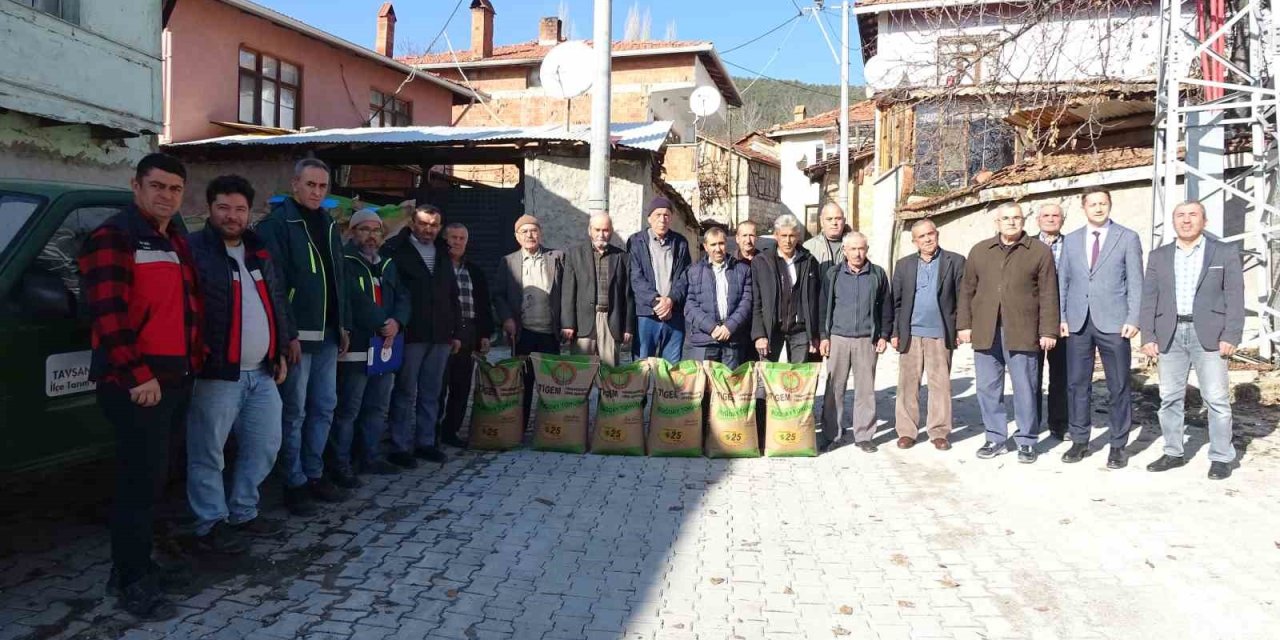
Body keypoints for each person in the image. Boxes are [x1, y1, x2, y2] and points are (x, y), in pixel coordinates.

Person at [78, 153, 203, 620]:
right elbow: (108, 317)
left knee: (156, 480)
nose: (166, 195)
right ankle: (130, 579)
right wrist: (138, 375)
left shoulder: (174, 238)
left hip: (174, 378)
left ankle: (139, 564)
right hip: (137, 384)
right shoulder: (114, 237)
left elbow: (186, 309)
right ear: (136, 187)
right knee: (137, 484)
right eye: (157, 186)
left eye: (174, 188)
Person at [186, 175, 290, 557]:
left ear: (250, 213)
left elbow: (276, 300)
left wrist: (280, 347)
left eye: (240, 209)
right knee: (207, 450)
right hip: (217, 373)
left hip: (262, 372)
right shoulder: (194, 250)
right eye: (224, 208)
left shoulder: (258, 251)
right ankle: (209, 522)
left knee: (265, 444)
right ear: (210, 209)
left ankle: (243, 511)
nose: (232, 216)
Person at [255, 158, 351, 516]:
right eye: (310, 185)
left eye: (323, 187)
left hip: (327, 334)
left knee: (324, 407)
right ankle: (292, 481)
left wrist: (344, 325)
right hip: (297, 338)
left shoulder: (327, 223)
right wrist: (286, 334)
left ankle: (314, 473)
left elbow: (338, 280)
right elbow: (273, 285)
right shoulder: (278, 225)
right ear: (294, 185)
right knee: (293, 411)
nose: (316, 192)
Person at [1140, 200, 1244, 480]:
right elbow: (1149, 298)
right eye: (1181, 216)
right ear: (1174, 222)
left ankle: (1222, 456)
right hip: (1170, 334)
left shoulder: (1223, 252)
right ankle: (1173, 451)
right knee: (1169, 398)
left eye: (1193, 215)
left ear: (1204, 221)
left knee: (1216, 399)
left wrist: (1231, 335)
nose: (1186, 221)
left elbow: (1235, 297)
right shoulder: (1159, 256)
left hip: (1209, 334)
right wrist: (1148, 335)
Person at [959, 202, 1060, 464]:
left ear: (1024, 221)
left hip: (1023, 330)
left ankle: (1026, 440)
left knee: (1026, 387)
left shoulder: (1039, 251)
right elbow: (967, 290)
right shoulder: (980, 251)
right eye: (1006, 218)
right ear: (997, 222)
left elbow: (1050, 294)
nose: (1011, 222)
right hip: (985, 330)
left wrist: (1048, 330)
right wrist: (964, 325)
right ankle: (995, 437)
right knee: (988, 387)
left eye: (1016, 218)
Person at [1057, 188, 1144, 469]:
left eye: (1102, 203)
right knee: (1077, 383)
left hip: (1115, 323)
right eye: (1092, 204)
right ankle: (1080, 439)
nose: (1098, 208)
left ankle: (1118, 444)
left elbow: (1136, 282)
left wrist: (1133, 318)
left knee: (1118, 385)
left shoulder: (1127, 237)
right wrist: (1062, 316)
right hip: (1078, 322)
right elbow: (1064, 282)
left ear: (1110, 205)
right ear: (1083, 208)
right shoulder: (1070, 241)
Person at [331, 210, 410, 480]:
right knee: (348, 410)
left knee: (377, 407)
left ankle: (370, 457)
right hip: (356, 348)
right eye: (364, 229)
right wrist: (380, 321)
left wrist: (397, 322)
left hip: (384, 349)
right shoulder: (345, 261)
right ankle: (341, 464)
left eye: (376, 231)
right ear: (352, 232)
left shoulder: (388, 264)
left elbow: (402, 296)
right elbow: (354, 298)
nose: (371, 236)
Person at [382, 204, 461, 466]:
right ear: (413, 223)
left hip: (440, 335)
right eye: (424, 223)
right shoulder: (396, 249)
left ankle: (426, 442)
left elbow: (452, 294)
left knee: (431, 391)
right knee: (405, 391)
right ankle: (399, 446)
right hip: (411, 333)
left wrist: (456, 330)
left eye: (434, 225)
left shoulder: (442, 251)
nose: (429, 229)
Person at [890, 219, 965, 451]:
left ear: (937, 234)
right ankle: (906, 431)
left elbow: (963, 298)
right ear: (914, 241)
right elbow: (896, 302)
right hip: (910, 333)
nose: (927, 239)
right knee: (907, 385)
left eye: (930, 234)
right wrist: (894, 332)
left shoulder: (956, 261)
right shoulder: (904, 265)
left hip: (940, 333)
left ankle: (939, 431)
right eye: (921, 236)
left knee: (940, 385)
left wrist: (961, 328)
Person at [818, 232, 893, 452]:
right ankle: (831, 434)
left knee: (866, 389)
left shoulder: (877, 274)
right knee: (834, 389)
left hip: (866, 341)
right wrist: (824, 337)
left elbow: (886, 307)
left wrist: (884, 335)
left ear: (866, 249)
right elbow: (823, 307)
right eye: (853, 249)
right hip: (838, 338)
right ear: (845, 251)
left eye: (861, 249)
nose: (858, 253)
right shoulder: (833, 275)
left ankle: (864, 435)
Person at [495, 214, 564, 429]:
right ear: (517, 236)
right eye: (524, 231)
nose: (529, 235)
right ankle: (519, 427)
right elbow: (498, 294)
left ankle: (549, 429)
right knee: (523, 384)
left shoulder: (557, 257)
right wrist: (506, 318)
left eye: (533, 230)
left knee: (551, 384)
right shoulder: (508, 261)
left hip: (549, 333)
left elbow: (568, 292)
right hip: (523, 332)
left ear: (540, 233)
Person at [438, 222, 494, 447]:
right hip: (443, 333)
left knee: (461, 386)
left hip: (469, 331)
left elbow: (483, 305)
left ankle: (451, 431)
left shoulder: (474, 270)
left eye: (462, 238)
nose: (457, 242)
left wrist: (485, 334)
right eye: (453, 237)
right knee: (438, 386)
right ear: (445, 239)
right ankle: (430, 432)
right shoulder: (437, 266)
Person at [562, 213, 633, 367]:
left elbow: (627, 295)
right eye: (597, 229)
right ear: (590, 230)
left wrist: (628, 327)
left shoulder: (622, 257)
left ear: (612, 231)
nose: (601, 234)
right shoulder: (575, 254)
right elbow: (568, 292)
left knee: (610, 374)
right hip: (583, 322)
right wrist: (568, 323)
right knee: (580, 373)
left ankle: (606, 392)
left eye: (606, 230)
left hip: (611, 320)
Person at [750, 214, 821, 364]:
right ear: (776, 236)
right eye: (783, 235)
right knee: (766, 378)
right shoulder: (762, 262)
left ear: (798, 237)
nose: (788, 241)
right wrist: (759, 335)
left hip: (800, 330)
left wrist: (813, 333)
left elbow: (815, 299)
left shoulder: (808, 261)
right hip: (772, 329)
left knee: (798, 381)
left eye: (792, 236)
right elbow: (756, 301)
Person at [628, 197, 691, 363]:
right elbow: (635, 277)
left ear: (671, 218)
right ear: (649, 218)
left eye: (666, 215)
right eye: (657, 215)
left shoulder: (680, 243)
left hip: (673, 313)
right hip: (646, 314)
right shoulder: (636, 242)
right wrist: (656, 302)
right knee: (642, 366)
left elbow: (684, 277)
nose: (662, 219)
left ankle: (666, 391)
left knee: (671, 367)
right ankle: (641, 391)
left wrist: (670, 300)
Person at [685, 226, 753, 368]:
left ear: (726, 244)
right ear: (705, 246)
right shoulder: (694, 271)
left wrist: (730, 326)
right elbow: (690, 305)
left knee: (729, 386)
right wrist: (712, 328)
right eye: (713, 244)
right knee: (704, 387)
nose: (718, 249)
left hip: (733, 340)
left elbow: (746, 302)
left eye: (721, 244)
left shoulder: (742, 270)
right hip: (705, 340)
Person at [1035, 203, 1069, 440]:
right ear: (1038, 219)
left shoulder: (1073, 246)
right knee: (1030, 376)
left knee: (1061, 376)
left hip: (1064, 321)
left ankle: (1059, 424)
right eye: (1046, 215)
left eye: (1055, 215)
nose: (1050, 219)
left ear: (1062, 220)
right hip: (1032, 321)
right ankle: (1031, 422)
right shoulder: (1026, 246)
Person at [803, 202, 850, 272]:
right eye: (829, 219)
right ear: (821, 222)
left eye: (838, 218)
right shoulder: (809, 248)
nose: (834, 223)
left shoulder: (855, 245)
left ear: (844, 221)